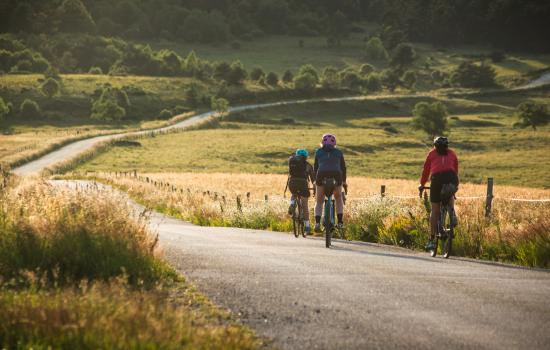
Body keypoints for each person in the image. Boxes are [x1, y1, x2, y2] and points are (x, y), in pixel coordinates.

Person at [418, 136, 459, 251]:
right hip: (452, 178)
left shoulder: (431, 154)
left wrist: (422, 184)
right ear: (447, 146)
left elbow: (426, 171)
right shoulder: (452, 153)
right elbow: (455, 169)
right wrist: (455, 183)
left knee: (435, 210)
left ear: (435, 146)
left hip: (437, 179)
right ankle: (452, 214)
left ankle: (431, 240)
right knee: (449, 193)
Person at [313, 134, 347, 232]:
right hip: (336, 174)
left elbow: (315, 167)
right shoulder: (339, 152)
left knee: (319, 201)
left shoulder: (318, 152)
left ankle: (317, 223)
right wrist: (344, 181)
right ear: (334, 143)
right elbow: (343, 168)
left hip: (321, 174)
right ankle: (340, 222)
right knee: (338, 198)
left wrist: (316, 180)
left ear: (322, 142)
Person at [287, 148, 315, 233]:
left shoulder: (292, 162)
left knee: (294, 193)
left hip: (292, 182)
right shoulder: (308, 165)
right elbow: (313, 180)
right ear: (306, 157)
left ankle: (292, 204)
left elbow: (289, 175)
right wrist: (314, 190)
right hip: (303, 183)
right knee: (305, 204)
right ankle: (307, 225)